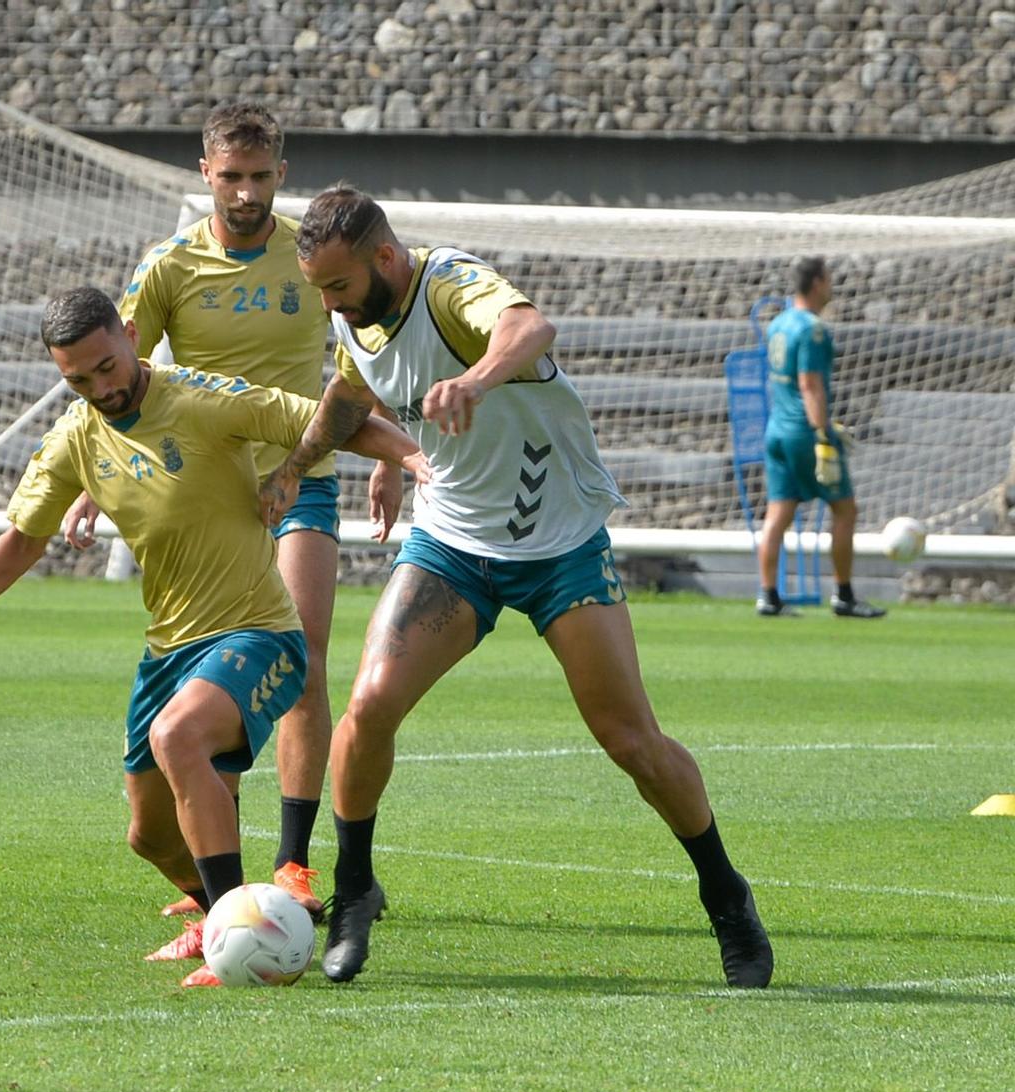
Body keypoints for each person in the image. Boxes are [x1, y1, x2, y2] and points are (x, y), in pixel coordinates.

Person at [263, 185, 774, 989]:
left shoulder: (449, 283)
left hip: (559, 540)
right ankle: (355, 889)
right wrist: (304, 465)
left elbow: (531, 329)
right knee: (366, 710)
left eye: (337, 286)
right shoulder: (350, 313)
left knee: (631, 741)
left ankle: (725, 892)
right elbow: (349, 393)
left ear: (385, 259)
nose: (329, 302)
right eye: (321, 289)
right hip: (454, 540)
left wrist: (479, 379)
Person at [0, 286, 428, 987]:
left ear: (131, 336)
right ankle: (230, 912)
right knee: (149, 835)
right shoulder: (77, 435)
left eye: (106, 366)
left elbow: (321, 418)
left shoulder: (202, 399)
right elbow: (21, 540)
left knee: (177, 737)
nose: (99, 387)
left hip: (259, 630)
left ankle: (233, 936)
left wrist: (411, 460)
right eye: (77, 378)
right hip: (169, 646)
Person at [62, 103, 347, 923]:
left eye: (261, 177)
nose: (248, 192)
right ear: (205, 175)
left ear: (281, 175)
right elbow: (114, 374)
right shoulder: (170, 266)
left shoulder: (308, 254)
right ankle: (219, 874)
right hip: (210, 491)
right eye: (232, 177)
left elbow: (359, 349)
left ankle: (291, 864)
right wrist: (90, 477)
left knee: (302, 654)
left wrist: (388, 460)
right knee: (214, 669)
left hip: (303, 474)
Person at [756, 256, 885, 618]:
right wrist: (822, 434)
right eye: (829, 280)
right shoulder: (813, 329)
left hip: (777, 429)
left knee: (778, 513)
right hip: (803, 432)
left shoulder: (778, 323)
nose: (832, 287)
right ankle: (843, 595)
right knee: (845, 509)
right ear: (816, 284)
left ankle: (768, 595)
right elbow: (809, 384)